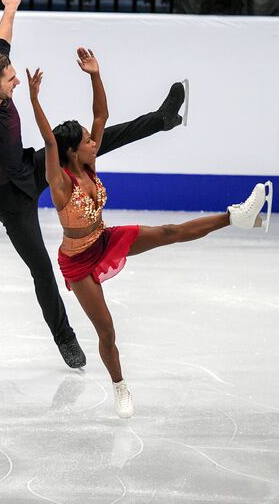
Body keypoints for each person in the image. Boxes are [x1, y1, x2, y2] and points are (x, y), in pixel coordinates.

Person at [0, 0, 188, 371]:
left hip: (30, 167)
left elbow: (2, 40)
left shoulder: (0, 77)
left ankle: (161, 119)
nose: (17, 80)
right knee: (42, 270)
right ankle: (65, 338)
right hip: (9, 201)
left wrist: (10, 9)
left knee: (92, 142)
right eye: (11, 80)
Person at [26, 48, 272, 418]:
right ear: (74, 152)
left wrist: (95, 74)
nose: (97, 142)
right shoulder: (61, 182)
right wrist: (33, 99)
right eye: (89, 141)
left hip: (105, 239)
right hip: (77, 263)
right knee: (107, 332)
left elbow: (101, 114)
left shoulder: (88, 161)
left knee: (169, 231)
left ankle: (236, 216)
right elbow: (49, 142)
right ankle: (119, 386)